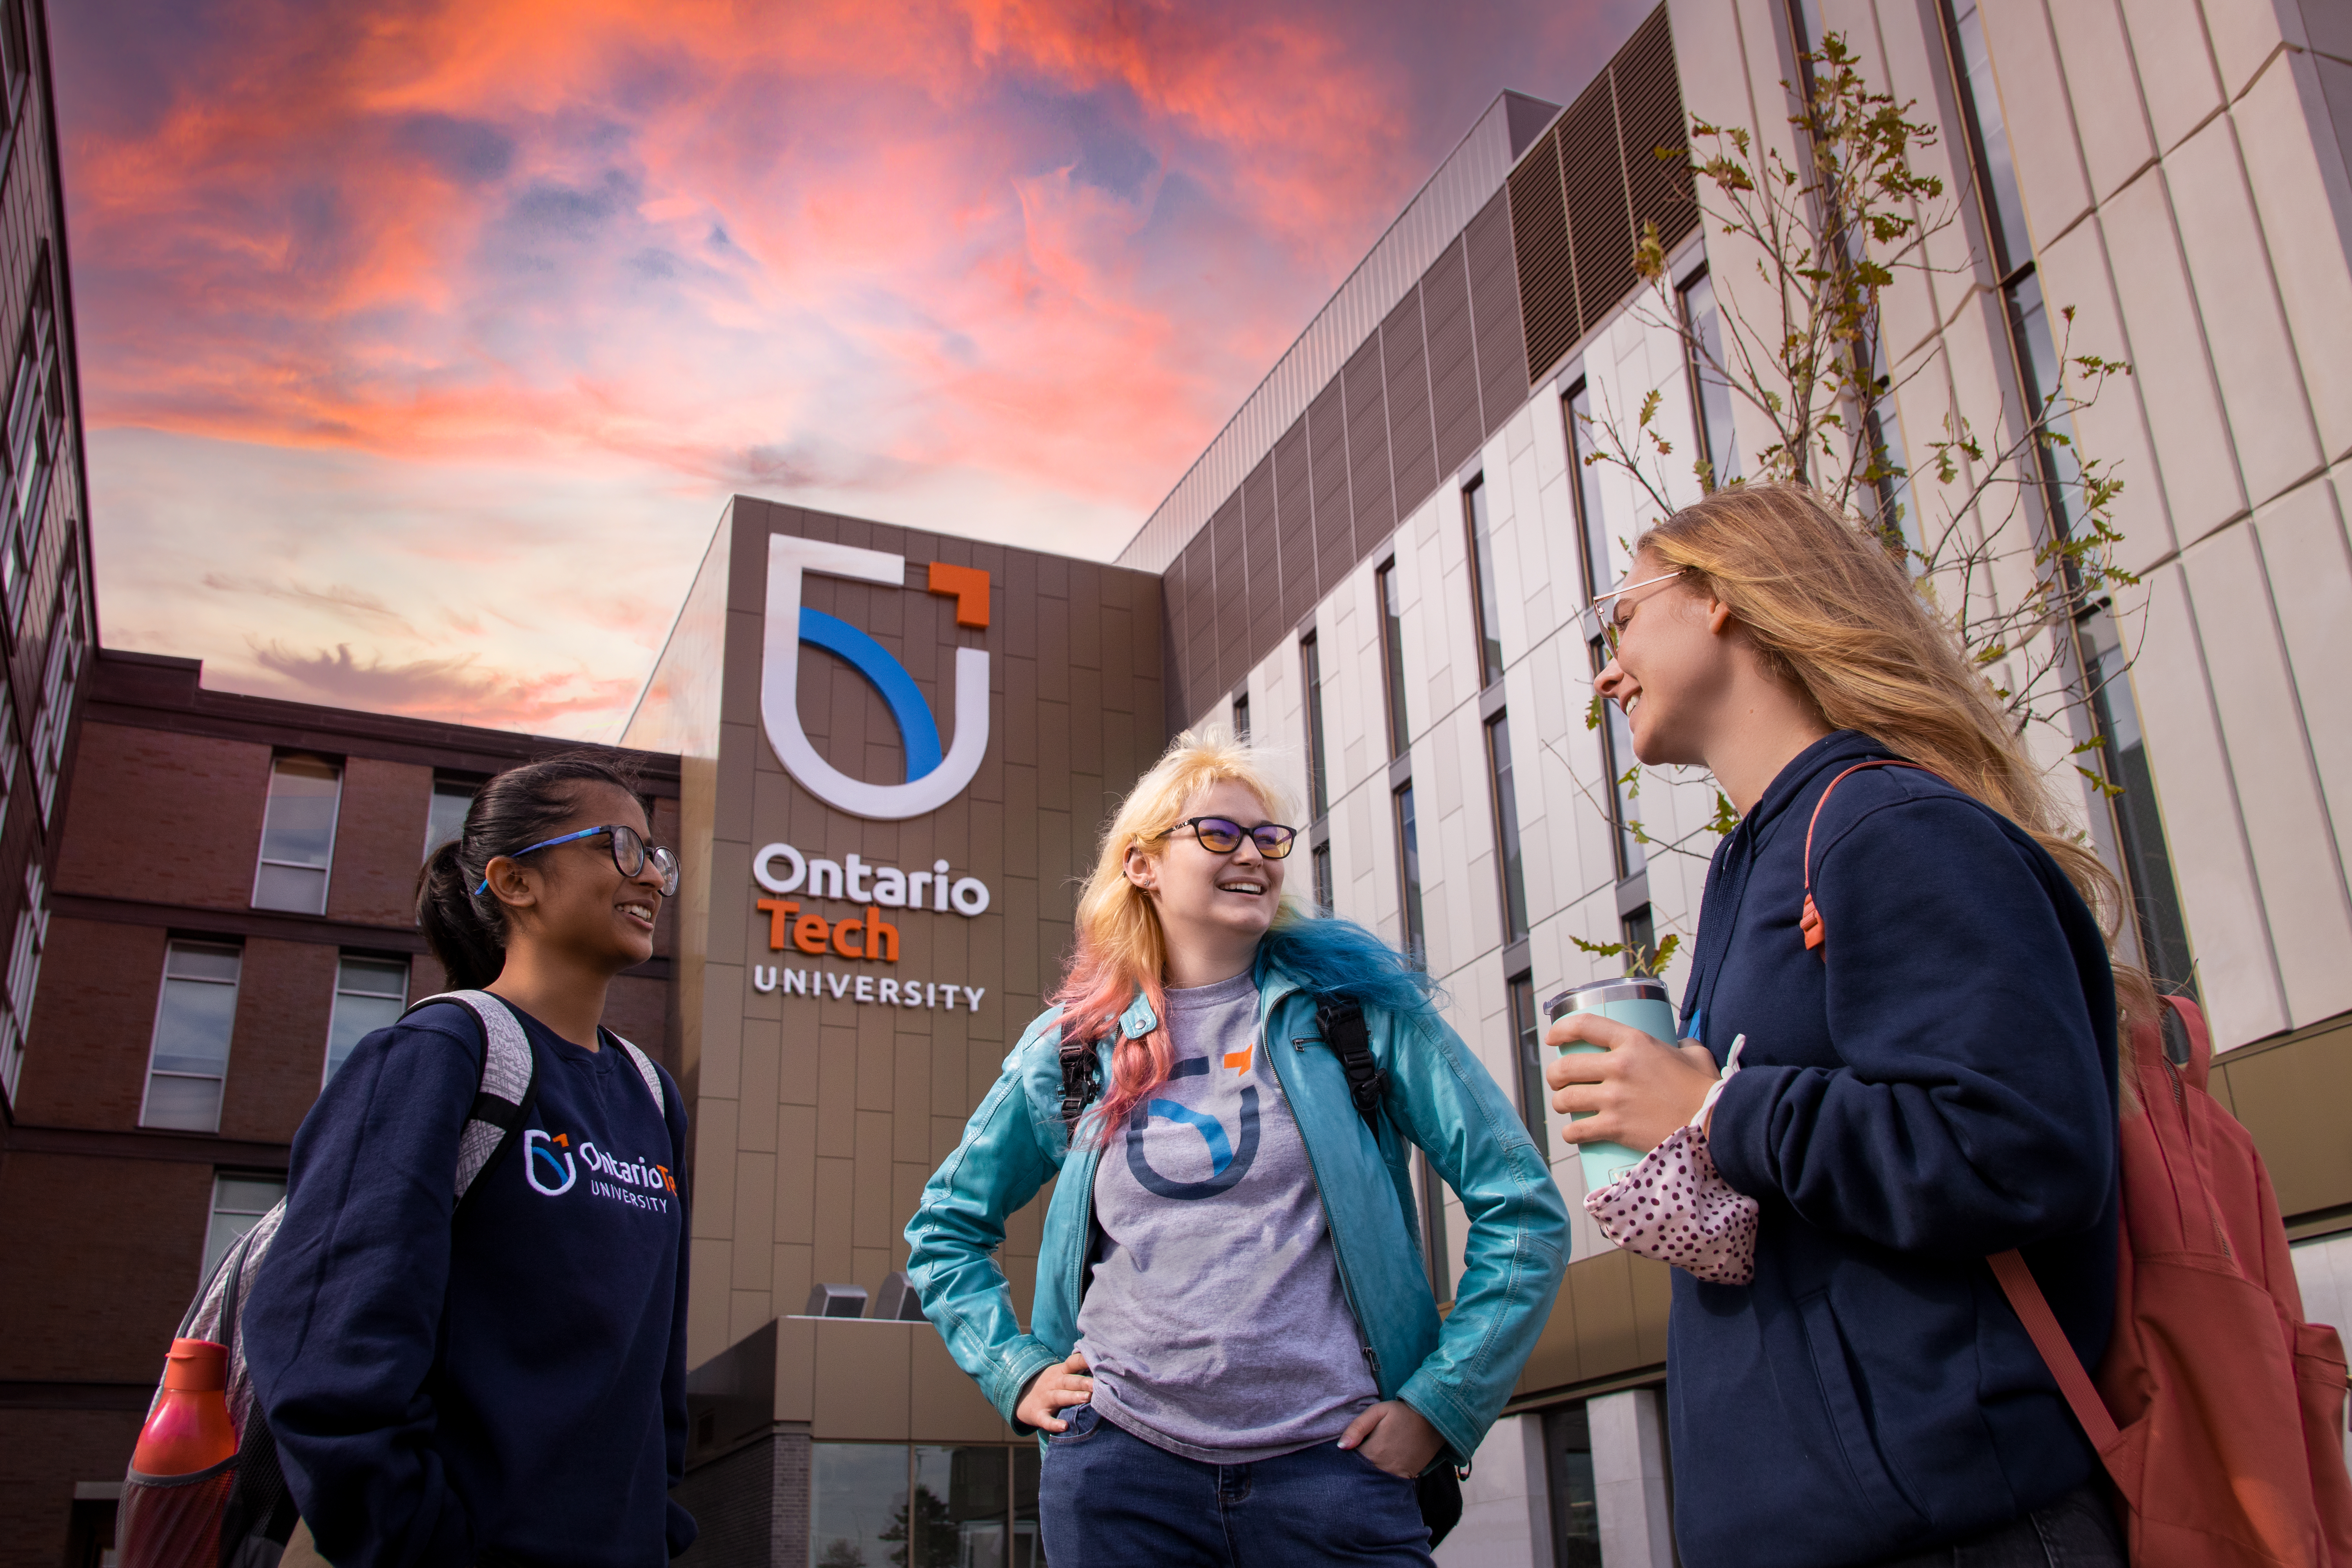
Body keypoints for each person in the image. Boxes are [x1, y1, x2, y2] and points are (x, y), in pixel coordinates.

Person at [1548, 483, 2143, 1568]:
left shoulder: (1888, 826)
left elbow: (2019, 1149)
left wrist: (1720, 1109)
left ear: (1720, 596)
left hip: (1961, 1532)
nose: (1607, 665)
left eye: (1621, 614)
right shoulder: (1757, 861)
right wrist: (1680, 1150)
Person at [905, 731, 1569, 1566]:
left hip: (1336, 1476)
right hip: (1122, 1482)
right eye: (1218, 833)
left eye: (1267, 836)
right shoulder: (1077, 1048)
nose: (1252, 852)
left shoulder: (1356, 1014)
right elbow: (944, 1228)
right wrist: (1015, 1369)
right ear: (1142, 864)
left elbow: (1523, 1205)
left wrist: (1444, 1402)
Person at [244, 756, 696, 1568]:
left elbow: (654, 1364)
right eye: (621, 846)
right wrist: (420, 1538)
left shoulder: (651, 1096)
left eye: (657, 856)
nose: (652, 877)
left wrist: (654, 1523)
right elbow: (327, 1347)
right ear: (514, 880)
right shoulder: (439, 1053)